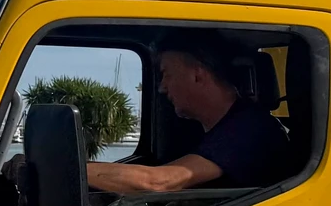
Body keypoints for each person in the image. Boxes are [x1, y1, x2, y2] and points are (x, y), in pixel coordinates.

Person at [83, 39, 289, 194]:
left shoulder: (248, 130)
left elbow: (159, 182)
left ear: (197, 74)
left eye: (166, 74)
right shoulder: (215, 129)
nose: (162, 87)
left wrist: (76, 172)